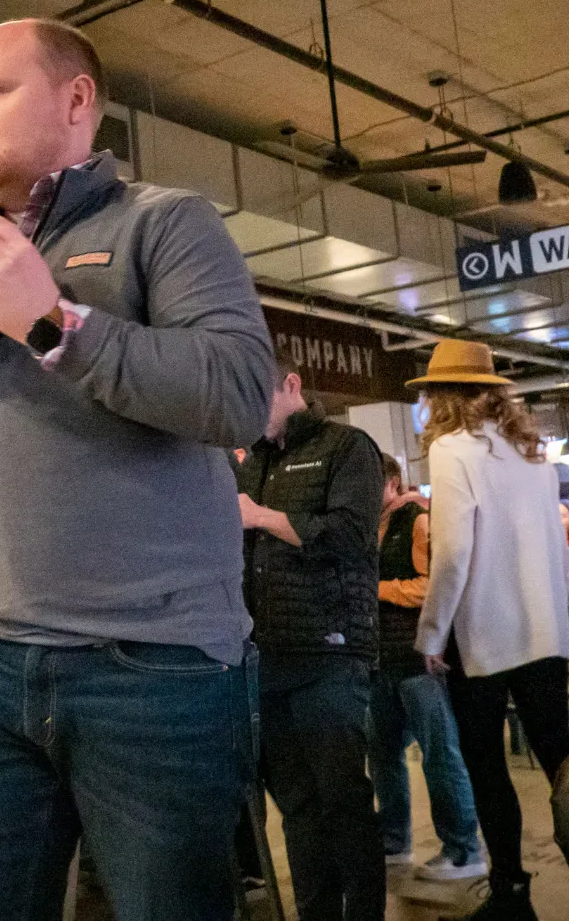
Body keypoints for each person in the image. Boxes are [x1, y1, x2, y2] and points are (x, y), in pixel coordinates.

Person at [0, 18, 275, 921]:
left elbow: (238, 395)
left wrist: (50, 320)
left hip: (158, 665)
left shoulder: (163, 221)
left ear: (77, 100)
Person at [409, 340, 569, 921]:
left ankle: (511, 895)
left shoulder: (451, 450)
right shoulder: (533, 454)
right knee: (562, 767)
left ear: (441, 395)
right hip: (546, 633)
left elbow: (452, 554)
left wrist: (430, 636)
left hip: (483, 637)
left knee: (487, 767)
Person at [236, 349, 385, 921]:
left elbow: (351, 535)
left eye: (255, 393)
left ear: (291, 385)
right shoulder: (251, 462)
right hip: (266, 657)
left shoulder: (347, 447)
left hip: (330, 652)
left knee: (344, 800)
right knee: (297, 806)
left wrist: (261, 517)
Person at [367, 454, 483, 881]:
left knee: (440, 756)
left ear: (392, 483)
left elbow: (430, 585)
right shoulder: (369, 526)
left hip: (419, 659)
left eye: (372, 483)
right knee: (382, 756)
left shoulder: (417, 519)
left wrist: (376, 588)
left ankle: (463, 850)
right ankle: (394, 842)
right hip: (380, 659)